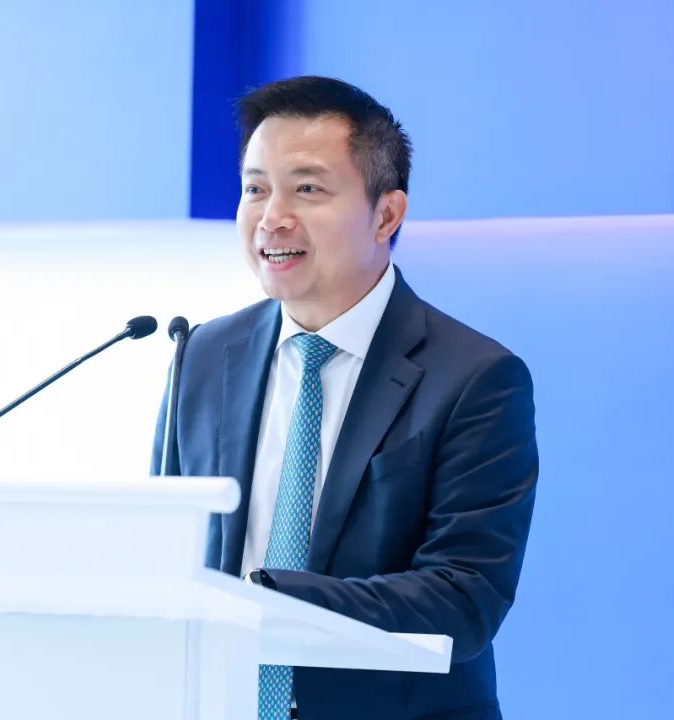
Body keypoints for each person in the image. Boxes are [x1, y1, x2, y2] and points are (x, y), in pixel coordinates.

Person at [151, 76, 538, 720]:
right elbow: (169, 548)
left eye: (307, 189)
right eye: (255, 189)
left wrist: (267, 600)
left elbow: (464, 598)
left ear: (386, 215)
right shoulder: (203, 355)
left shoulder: (476, 377)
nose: (272, 217)